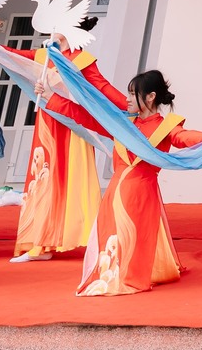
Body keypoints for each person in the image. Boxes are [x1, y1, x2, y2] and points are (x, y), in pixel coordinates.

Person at [40, 69, 202, 296]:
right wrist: (51, 97)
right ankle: (112, 272)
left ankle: (128, 276)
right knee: (111, 234)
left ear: (150, 96)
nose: (127, 99)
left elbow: (184, 137)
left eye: (132, 94)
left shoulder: (165, 126)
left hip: (141, 191)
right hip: (115, 190)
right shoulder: (124, 122)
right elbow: (87, 116)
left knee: (134, 236)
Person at [11, 16, 125, 264]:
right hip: (47, 125)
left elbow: (103, 88)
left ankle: (89, 237)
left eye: (57, 25)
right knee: (43, 179)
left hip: (71, 126)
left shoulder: (81, 60)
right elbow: (10, 55)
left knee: (70, 179)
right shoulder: (45, 56)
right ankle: (40, 243)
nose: (51, 30)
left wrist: (129, 107)